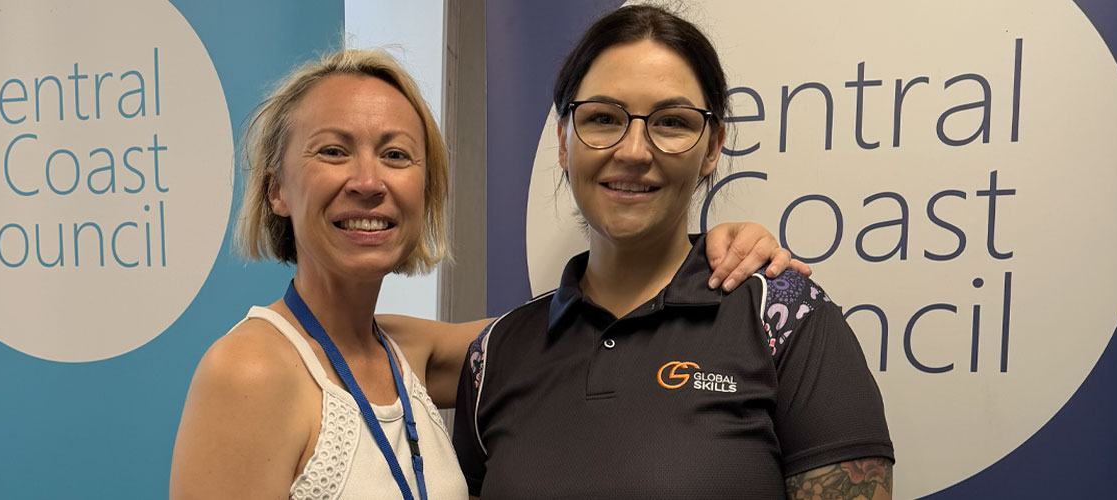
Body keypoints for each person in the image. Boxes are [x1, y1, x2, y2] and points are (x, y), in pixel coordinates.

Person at [169, 47, 804, 500]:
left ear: (425, 191)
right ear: (276, 190)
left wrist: (705, 253)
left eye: (396, 155)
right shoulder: (251, 371)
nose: (368, 181)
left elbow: (593, 331)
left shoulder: (406, 353)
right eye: (333, 151)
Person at [452, 5, 894, 500]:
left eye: (671, 122)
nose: (634, 151)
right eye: (602, 118)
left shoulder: (786, 317)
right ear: (563, 141)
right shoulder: (492, 356)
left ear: (712, 147)